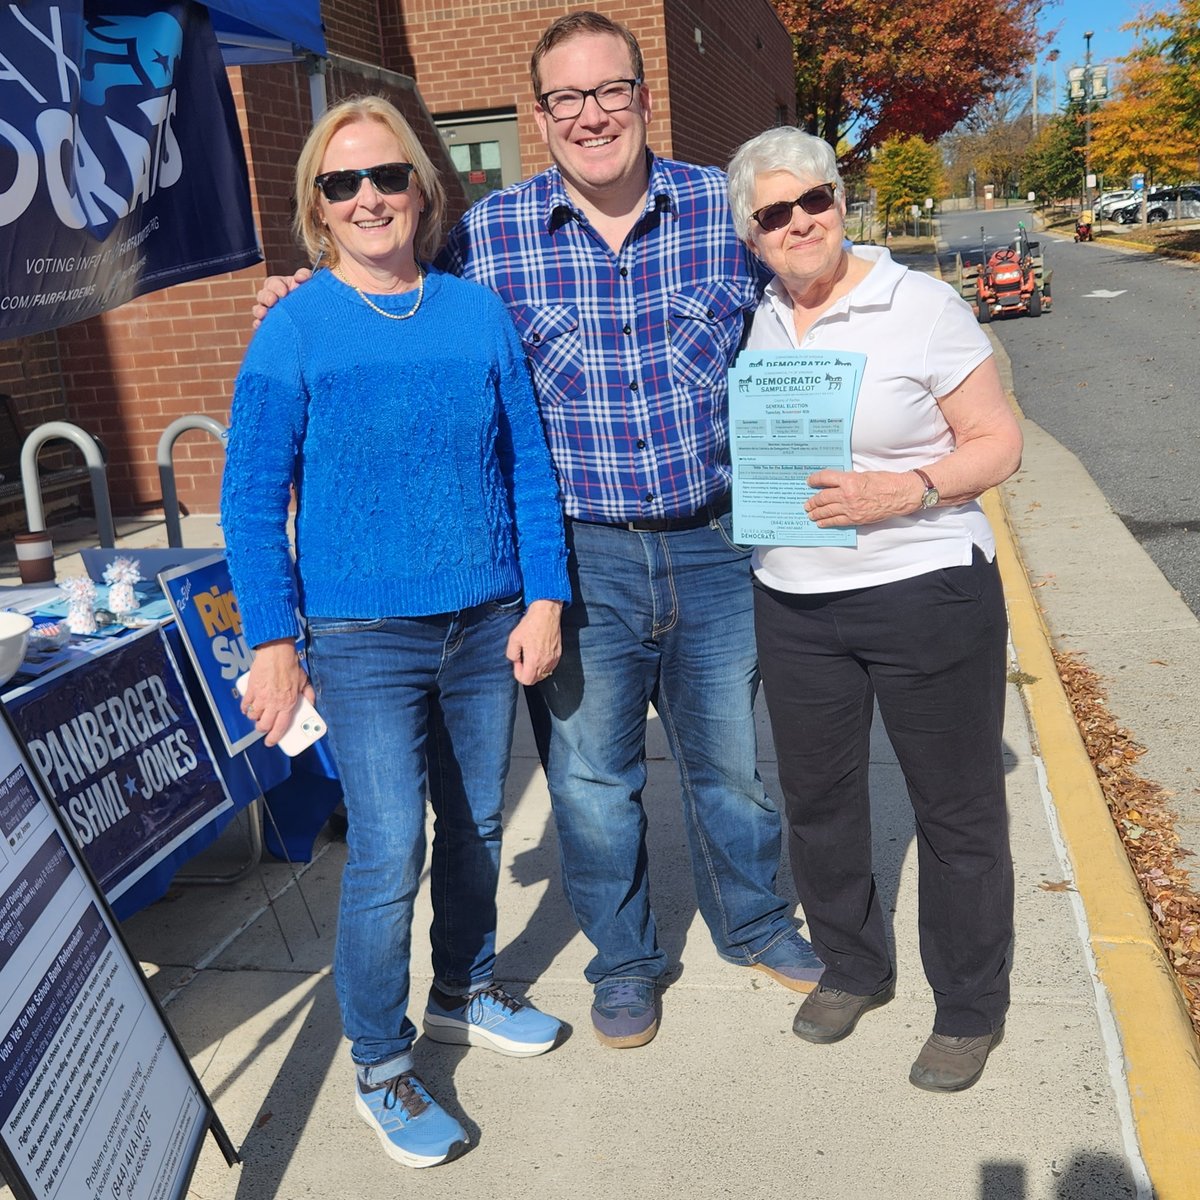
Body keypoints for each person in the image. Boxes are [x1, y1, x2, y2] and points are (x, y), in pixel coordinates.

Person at [256, 12, 824, 1053]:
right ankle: (624, 963)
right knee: (592, 780)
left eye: (610, 91)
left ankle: (755, 922)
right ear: (540, 115)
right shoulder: (492, 235)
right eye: (566, 99)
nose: (590, 116)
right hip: (579, 551)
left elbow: (818, 281)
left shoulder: (722, 208)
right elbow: (388, 283)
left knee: (732, 761)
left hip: (714, 536)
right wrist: (303, 289)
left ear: (644, 95)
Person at [222, 96, 571, 1169]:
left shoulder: (476, 313)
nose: (368, 197)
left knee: (472, 828)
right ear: (317, 210)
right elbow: (248, 494)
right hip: (360, 634)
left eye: (387, 177)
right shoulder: (295, 325)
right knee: (388, 848)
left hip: (482, 621)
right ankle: (380, 1056)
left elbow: (528, 468)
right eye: (342, 183)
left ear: (425, 189)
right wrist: (274, 639)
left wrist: (544, 595)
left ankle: (464, 988)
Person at [725, 126, 1023, 1092]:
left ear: (840, 203)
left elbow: (997, 444)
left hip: (925, 586)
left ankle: (970, 1006)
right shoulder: (759, 316)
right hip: (796, 597)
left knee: (956, 809)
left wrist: (911, 489)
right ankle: (854, 966)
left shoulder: (920, 303)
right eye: (775, 212)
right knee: (818, 801)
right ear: (752, 233)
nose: (800, 221)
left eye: (816, 199)